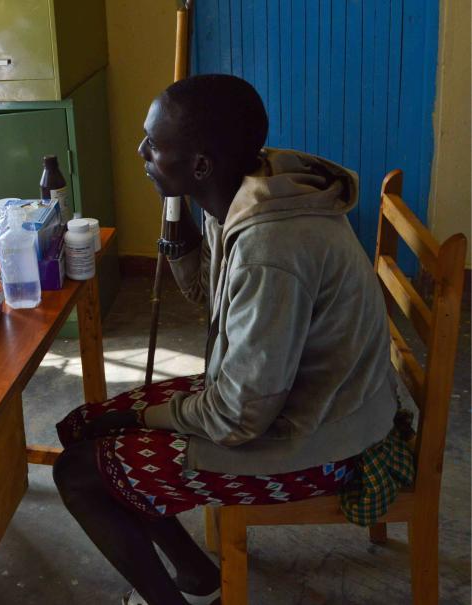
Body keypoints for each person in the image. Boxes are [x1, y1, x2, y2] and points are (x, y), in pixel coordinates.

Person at [52, 74, 406, 605]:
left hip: (321, 440)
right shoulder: (243, 190)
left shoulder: (272, 247)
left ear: (200, 165)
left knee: (80, 472)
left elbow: (238, 418)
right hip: (284, 400)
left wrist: (138, 418)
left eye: (154, 144)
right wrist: (172, 199)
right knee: (79, 427)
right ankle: (197, 578)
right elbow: (201, 289)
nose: (140, 151)